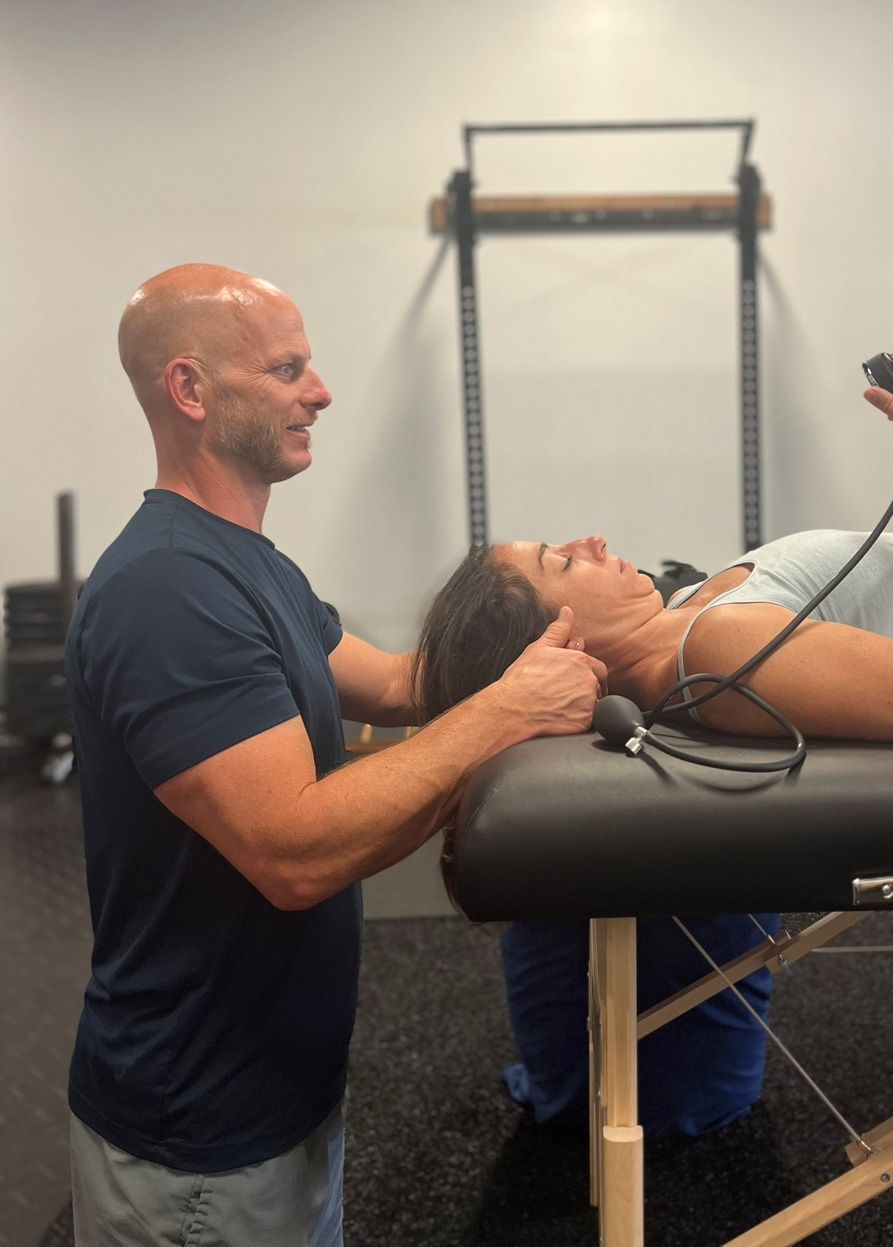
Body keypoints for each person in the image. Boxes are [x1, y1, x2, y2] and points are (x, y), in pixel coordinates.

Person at [414, 321, 893, 1137]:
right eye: (562, 562)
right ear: (561, 641)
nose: (589, 541)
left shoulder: (683, 613)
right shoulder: (716, 654)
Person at [63, 263, 607, 1247]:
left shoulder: (252, 566)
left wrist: (561, 632)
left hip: (277, 1100)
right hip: (201, 1144)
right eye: (287, 369)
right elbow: (295, 851)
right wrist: (510, 708)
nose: (319, 391)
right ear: (192, 391)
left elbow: (406, 685)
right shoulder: (168, 590)